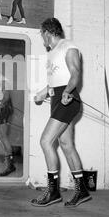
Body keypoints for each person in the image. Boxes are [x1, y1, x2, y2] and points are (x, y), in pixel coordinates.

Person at [31, 17, 91, 207]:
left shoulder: (68, 46)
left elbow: (75, 73)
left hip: (68, 99)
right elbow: (54, 81)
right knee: (66, 144)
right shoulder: (52, 52)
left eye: (42, 34)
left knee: (45, 141)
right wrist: (41, 93)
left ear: (48, 32)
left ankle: (53, 191)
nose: (42, 39)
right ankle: (81, 191)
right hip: (58, 98)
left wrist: (66, 92)